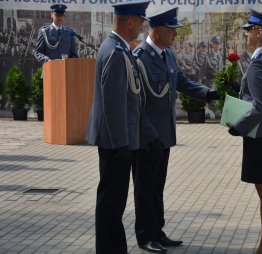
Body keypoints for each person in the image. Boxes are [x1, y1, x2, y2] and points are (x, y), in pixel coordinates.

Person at [133, 7, 219, 253]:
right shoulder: (140, 57)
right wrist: (147, 133)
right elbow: (136, 102)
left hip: (165, 134)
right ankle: (145, 236)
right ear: (158, 31)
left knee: (157, 187)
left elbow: (180, 81)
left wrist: (207, 93)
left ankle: (157, 231)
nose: (175, 36)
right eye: (172, 31)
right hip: (147, 136)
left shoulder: (166, 55)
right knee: (144, 188)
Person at [85, 1, 150, 253]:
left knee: (113, 203)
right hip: (116, 143)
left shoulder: (119, 49)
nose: (142, 26)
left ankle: (113, 247)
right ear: (130, 21)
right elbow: (113, 105)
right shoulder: (115, 52)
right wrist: (121, 143)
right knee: (111, 202)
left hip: (119, 140)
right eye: (140, 21)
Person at [226, 9, 262, 254]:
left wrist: (238, 127)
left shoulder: (260, 62)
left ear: (259, 32)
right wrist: (239, 88)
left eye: (249, 31)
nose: (246, 36)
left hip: (260, 133)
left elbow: (260, 106)